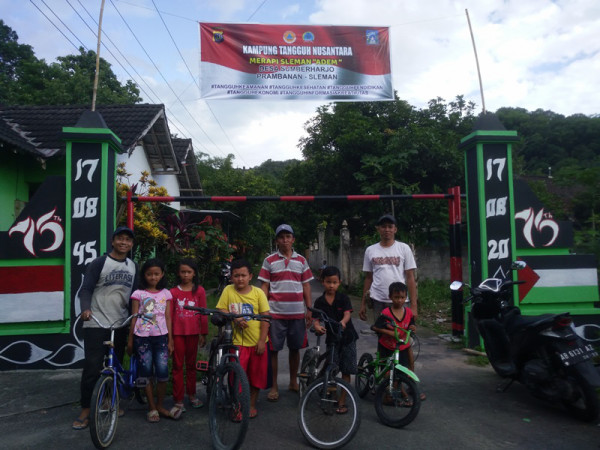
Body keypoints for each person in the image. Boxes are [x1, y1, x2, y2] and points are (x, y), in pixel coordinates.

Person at [73, 226, 138, 431]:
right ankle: (85, 409)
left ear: (131, 244)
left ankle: (109, 401)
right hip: (96, 322)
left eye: (128, 240)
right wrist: (85, 309)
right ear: (112, 241)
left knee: (115, 366)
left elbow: (135, 296)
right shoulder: (100, 262)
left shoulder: (132, 266)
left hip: (119, 323)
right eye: (120, 238)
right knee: (92, 366)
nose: (124, 242)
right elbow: (86, 289)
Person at [259, 223, 313, 402]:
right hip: (275, 314)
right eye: (281, 237)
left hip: (297, 313)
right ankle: (274, 386)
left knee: (295, 349)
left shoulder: (302, 261)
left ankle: (292, 381)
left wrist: (309, 309)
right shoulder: (269, 261)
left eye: (288, 236)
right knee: (273, 350)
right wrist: (263, 311)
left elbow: (306, 285)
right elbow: (265, 286)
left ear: (293, 239)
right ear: (277, 241)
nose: (285, 240)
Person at [216, 258, 270, 418]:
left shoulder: (258, 293)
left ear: (250, 276)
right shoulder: (228, 291)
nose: (240, 279)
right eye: (236, 275)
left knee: (256, 378)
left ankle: (251, 405)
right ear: (231, 277)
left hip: (257, 343)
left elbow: (266, 317)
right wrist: (234, 317)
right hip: (237, 344)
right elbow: (221, 309)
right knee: (236, 377)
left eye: (243, 275)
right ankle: (237, 406)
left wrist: (262, 340)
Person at [128, 258, 180, 423]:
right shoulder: (138, 294)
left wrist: (170, 340)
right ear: (144, 275)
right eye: (149, 274)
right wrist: (130, 340)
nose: (153, 277)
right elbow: (134, 317)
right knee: (146, 372)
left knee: (163, 372)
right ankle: (151, 407)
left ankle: (160, 405)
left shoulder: (166, 294)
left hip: (161, 338)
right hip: (141, 339)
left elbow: (168, 317)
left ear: (162, 274)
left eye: (156, 274)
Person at [312, 266, 358, 414]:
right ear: (322, 282)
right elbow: (316, 319)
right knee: (332, 367)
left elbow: (347, 314)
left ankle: (342, 400)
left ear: (339, 283)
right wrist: (317, 326)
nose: (331, 285)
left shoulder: (343, 298)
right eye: (328, 282)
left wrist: (343, 322)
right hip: (332, 338)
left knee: (346, 369)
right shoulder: (319, 301)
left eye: (334, 282)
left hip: (347, 337)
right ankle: (331, 392)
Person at [359, 214, 418, 322]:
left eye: (390, 227)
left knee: (402, 334)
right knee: (381, 333)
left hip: (400, 300)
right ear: (378, 229)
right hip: (378, 299)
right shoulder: (370, 250)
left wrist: (414, 306)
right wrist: (363, 304)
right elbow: (368, 278)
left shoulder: (404, 248)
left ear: (395, 229)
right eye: (383, 226)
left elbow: (410, 277)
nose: (387, 230)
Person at [170, 258, 208, 411]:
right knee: (177, 366)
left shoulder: (199, 291)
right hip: (177, 334)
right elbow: (170, 315)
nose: (185, 275)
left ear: (194, 274)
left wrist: (203, 333)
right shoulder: (172, 292)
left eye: (189, 272)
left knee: (191, 366)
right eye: (183, 272)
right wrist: (170, 338)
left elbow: (203, 312)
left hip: (193, 334)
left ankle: (192, 395)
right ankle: (178, 399)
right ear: (179, 273)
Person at [372, 282, 415, 367]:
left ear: (406, 297)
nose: (399, 300)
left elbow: (411, 323)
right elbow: (376, 327)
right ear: (390, 297)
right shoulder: (386, 312)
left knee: (403, 369)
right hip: (386, 346)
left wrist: (412, 327)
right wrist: (390, 333)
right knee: (386, 372)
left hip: (402, 346)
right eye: (396, 297)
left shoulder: (409, 312)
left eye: (402, 297)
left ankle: (411, 373)